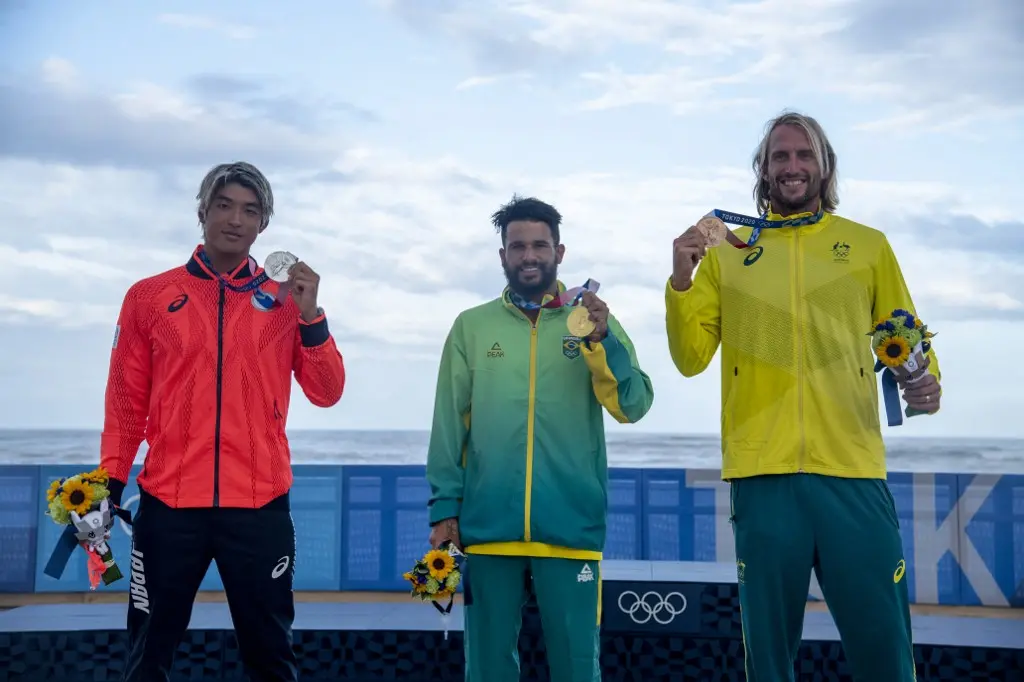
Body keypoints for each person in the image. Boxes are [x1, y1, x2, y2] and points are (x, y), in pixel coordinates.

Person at [665, 111, 941, 682]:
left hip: (852, 472)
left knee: (885, 651)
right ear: (763, 172)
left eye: (803, 155)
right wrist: (681, 283)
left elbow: (905, 333)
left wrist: (923, 384)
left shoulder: (867, 246)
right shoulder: (727, 250)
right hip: (762, 476)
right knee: (769, 661)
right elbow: (689, 359)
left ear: (824, 166)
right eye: (779, 157)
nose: (791, 166)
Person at [99, 161, 346, 682]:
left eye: (250, 210)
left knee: (272, 657)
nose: (235, 219)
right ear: (202, 211)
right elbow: (125, 401)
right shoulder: (149, 296)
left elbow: (327, 393)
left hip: (259, 506)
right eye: (224, 205)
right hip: (168, 505)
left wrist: (311, 316)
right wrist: (110, 482)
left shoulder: (285, 300)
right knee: (147, 657)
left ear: (263, 225)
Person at [425, 195, 654, 682]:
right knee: (487, 669)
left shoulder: (592, 320)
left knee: (576, 668)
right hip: (488, 530)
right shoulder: (472, 326)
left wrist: (601, 339)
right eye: (518, 246)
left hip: (570, 528)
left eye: (540, 245)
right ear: (503, 256)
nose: (530, 255)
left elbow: (633, 404)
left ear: (560, 251)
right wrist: (445, 508)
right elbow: (449, 421)